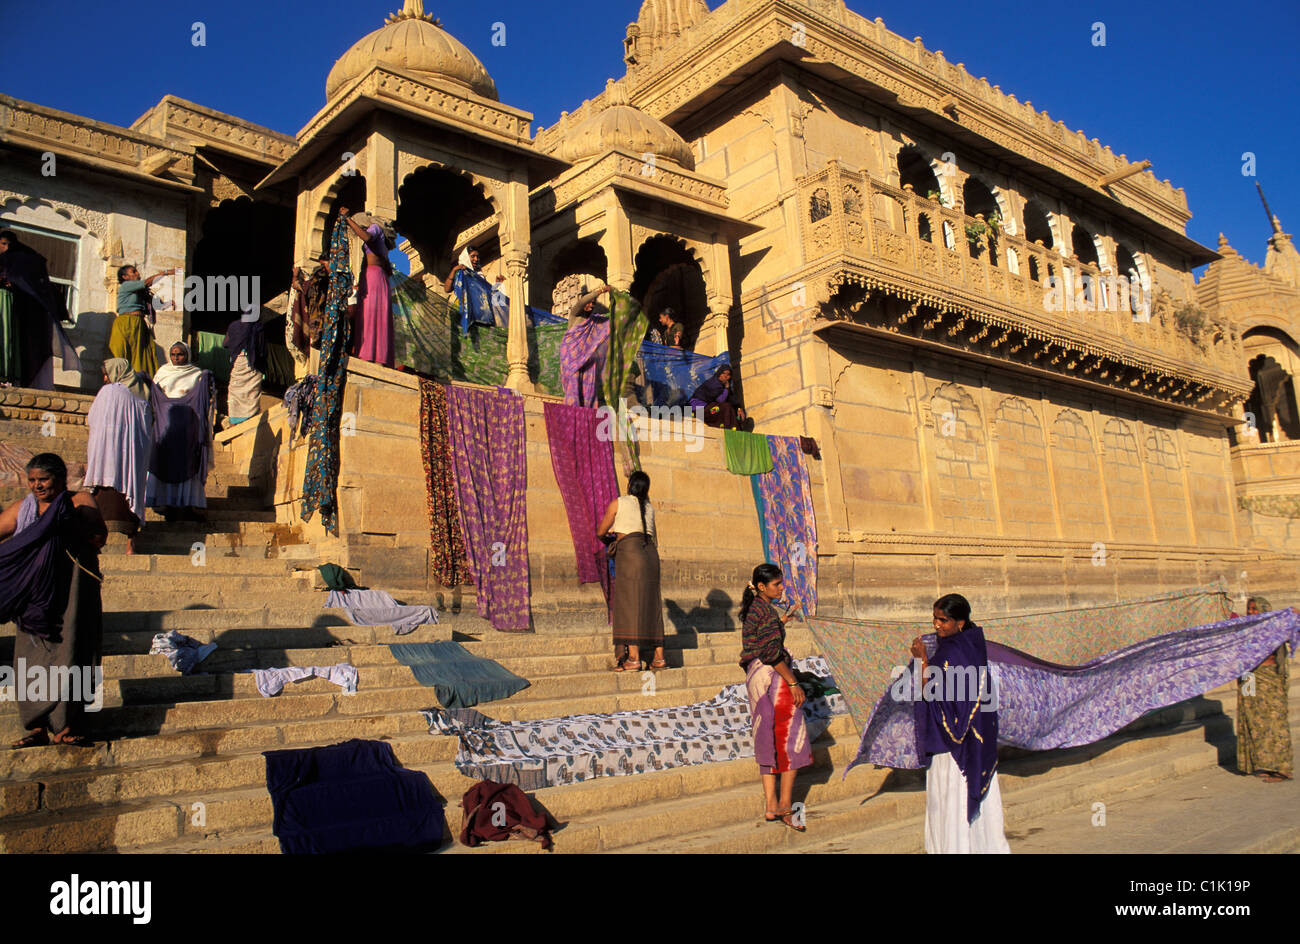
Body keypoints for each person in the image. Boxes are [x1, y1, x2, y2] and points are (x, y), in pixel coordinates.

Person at [0, 452, 106, 748]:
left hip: (73, 591)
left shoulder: (79, 501)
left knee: (71, 651)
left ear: (60, 479)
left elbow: (99, 534)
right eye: (32, 480)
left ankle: (66, 724)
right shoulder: (24, 508)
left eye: (43, 479)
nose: (37, 486)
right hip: (34, 596)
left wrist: (66, 522)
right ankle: (36, 727)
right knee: (30, 655)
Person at [910, 592, 1009, 854]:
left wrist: (922, 660)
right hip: (974, 743)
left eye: (943, 620)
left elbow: (929, 691)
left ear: (961, 622)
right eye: (934, 618)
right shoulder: (971, 645)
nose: (936, 625)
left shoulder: (953, 652)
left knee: (951, 804)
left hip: (953, 750)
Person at [739, 563, 810, 831]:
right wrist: (793, 682)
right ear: (761, 586)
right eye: (777, 585)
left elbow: (760, 639)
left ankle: (770, 805)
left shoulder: (755, 608)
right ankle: (786, 804)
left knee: (766, 736)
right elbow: (771, 652)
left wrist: (779, 623)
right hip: (774, 677)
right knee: (793, 736)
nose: (782, 588)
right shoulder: (765, 611)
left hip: (755, 679)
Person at [596, 470, 666, 672]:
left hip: (630, 554)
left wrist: (610, 537)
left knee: (628, 604)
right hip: (651, 556)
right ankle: (659, 658)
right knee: (653, 605)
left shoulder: (619, 502)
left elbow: (600, 531)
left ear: (630, 486)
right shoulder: (649, 508)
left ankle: (633, 659)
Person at [83, 359, 152, 554]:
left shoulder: (109, 391)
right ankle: (131, 544)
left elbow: (93, 418)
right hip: (130, 460)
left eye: (106, 374)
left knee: (102, 501)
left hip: (106, 458)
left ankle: (96, 543)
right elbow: (147, 427)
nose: (105, 378)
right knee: (130, 501)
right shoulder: (141, 394)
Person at [0, 229, 80, 389]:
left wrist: (10, 282)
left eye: (7, 244)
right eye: (2, 244)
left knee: (6, 337)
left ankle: (5, 375)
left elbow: (23, 280)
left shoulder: (16, 261)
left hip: (5, 301)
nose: (5, 247)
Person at [147, 342, 214, 523]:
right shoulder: (162, 373)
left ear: (187, 355)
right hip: (166, 428)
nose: (176, 358)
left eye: (180, 355)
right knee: (166, 465)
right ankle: (167, 504)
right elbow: (154, 396)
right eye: (173, 354)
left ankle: (187, 505)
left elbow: (202, 399)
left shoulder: (195, 374)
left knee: (187, 465)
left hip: (187, 429)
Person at [1237, 596, 1293, 782]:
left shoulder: (1275, 628)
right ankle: (1264, 765)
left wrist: (1290, 612)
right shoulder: (1245, 630)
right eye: (1249, 608)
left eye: (1254, 608)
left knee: (1275, 722)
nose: (1251, 612)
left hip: (1269, 678)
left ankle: (1283, 768)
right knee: (1253, 719)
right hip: (1249, 677)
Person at [339, 208, 394, 367]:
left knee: (371, 316)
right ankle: (370, 354)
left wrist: (348, 219)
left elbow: (367, 237)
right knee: (369, 315)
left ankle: (372, 355)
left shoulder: (374, 228)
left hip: (374, 278)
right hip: (373, 277)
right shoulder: (380, 243)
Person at [111, 263, 177, 377]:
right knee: (123, 354)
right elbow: (147, 282)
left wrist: (167, 304)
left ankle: (138, 382)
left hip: (139, 323)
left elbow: (153, 305)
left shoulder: (141, 291)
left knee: (140, 356)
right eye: (133, 272)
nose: (137, 273)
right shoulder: (127, 285)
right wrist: (164, 273)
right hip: (126, 322)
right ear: (125, 277)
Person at [224, 308, 266, 426]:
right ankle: (251, 421)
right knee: (252, 393)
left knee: (235, 392)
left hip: (238, 363)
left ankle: (234, 421)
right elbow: (261, 350)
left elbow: (225, 343)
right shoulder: (258, 327)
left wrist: (236, 343)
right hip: (253, 365)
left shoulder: (233, 326)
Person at [689, 365, 748, 430]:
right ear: (719, 374)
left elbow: (732, 399)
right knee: (726, 407)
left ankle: (736, 430)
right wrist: (726, 389)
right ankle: (729, 429)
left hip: (709, 408)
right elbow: (721, 400)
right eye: (723, 373)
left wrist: (739, 408)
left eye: (728, 375)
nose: (725, 376)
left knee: (732, 411)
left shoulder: (724, 387)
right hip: (698, 411)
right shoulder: (713, 384)